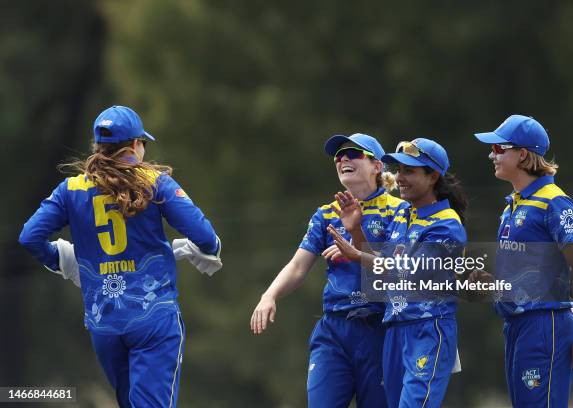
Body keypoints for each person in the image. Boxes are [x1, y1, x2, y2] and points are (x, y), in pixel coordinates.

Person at [19, 105, 221, 408]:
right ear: (136, 145)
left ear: (98, 147)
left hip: (105, 323)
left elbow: (29, 237)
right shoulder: (155, 182)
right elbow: (205, 237)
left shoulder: (70, 188)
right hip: (154, 319)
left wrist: (63, 260)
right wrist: (203, 250)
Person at [250, 133, 407, 407]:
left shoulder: (400, 211)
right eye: (339, 155)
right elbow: (298, 266)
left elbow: (395, 271)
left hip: (380, 327)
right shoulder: (326, 214)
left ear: (377, 166)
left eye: (353, 153)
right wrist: (269, 295)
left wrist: (355, 240)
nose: (343, 158)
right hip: (334, 328)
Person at [328, 138, 467, 408]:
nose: (400, 178)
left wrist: (357, 255)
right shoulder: (403, 216)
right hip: (394, 328)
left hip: (429, 328)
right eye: (399, 170)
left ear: (433, 176)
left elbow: (411, 272)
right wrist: (356, 233)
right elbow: (381, 271)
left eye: (410, 171)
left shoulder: (447, 223)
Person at [472, 114, 573, 407]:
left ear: (523, 154)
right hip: (516, 324)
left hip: (546, 325)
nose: (492, 155)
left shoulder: (554, 201)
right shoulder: (512, 205)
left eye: (500, 149)